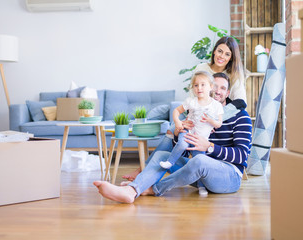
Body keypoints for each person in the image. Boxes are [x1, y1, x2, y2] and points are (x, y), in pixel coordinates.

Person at [93, 74, 252, 203]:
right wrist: (178, 132)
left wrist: (209, 147)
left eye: (222, 88)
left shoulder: (240, 117)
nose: (217, 91)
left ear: (228, 93)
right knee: (163, 156)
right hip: (200, 176)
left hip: (228, 176)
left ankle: (153, 189)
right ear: (209, 87)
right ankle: (133, 190)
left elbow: (242, 156)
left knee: (199, 161)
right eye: (214, 86)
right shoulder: (196, 112)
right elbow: (182, 153)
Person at [121, 36, 247, 181]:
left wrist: (214, 119)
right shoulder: (202, 68)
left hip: (216, 116)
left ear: (231, 58)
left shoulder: (235, 74)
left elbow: (241, 103)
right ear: (214, 51)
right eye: (220, 51)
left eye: (227, 54)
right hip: (195, 112)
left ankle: (144, 171)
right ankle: (145, 171)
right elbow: (192, 97)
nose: (221, 56)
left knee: (175, 130)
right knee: (173, 129)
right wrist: (187, 119)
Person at [159, 71, 223, 170]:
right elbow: (176, 111)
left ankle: (201, 185)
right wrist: (177, 122)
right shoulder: (191, 101)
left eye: (203, 85)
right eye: (196, 85)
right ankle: (170, 162)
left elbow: (219, 124)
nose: (199, 88)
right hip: (188, 132)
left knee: (199, 160)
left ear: (211, 86)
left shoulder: (216, 105)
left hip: (201, 139)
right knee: (182, 144)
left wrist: (211, 121)